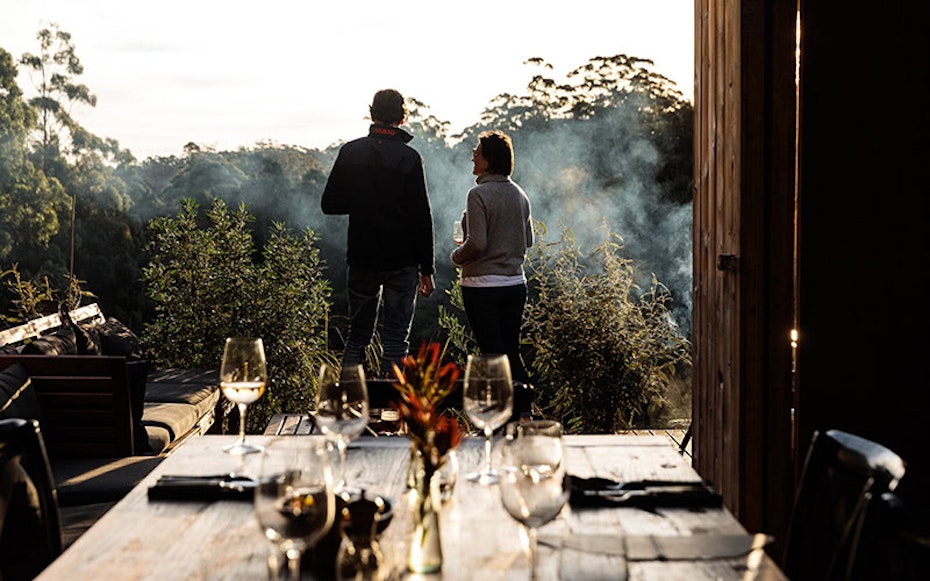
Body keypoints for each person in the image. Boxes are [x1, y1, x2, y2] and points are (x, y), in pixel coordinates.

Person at [321, 88, 435, 376]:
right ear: (402, 116)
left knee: (357, 337)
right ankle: (394, 413)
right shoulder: (409, 158)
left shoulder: (350, 151)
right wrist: (427, 268)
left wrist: (364, 201)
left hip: (362, 257)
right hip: (402, 261)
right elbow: (421, 216)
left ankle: (348, 407)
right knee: (396, 339)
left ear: (372, 112)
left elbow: (329, 204)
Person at [450, 130, 535, 417]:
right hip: (514, 284)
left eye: (478, 151)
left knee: (492, 354)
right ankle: (523, 412)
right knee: (511, 350)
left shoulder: (477, 194)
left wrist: (456, 256)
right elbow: (528, 240)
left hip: (481, 285)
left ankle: (498, 419)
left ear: (489, 160)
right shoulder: (520, 194)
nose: (473, 155)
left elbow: (478, 243)